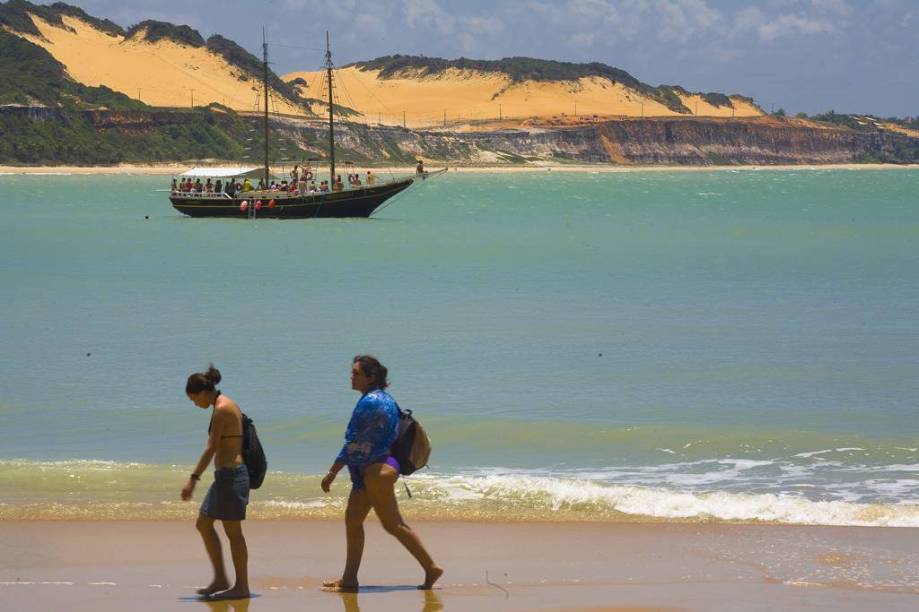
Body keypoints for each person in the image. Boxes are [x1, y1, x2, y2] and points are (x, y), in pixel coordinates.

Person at [321, 356, 443, 592]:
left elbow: (353, 443)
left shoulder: (370, 402)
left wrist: (332, 472)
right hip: (378, 468)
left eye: (356, 373)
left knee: (393, 524)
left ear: (371, 377)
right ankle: (349, 579)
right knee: (354, 520)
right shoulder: (384, 399)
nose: (351, 376)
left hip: (377, 470)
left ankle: (431, 567)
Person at [181, 365, 251, 601]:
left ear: (202, 392)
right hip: (225, 477)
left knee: (234, 532)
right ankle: (221, 578)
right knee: (204, 523)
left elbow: (211, 448)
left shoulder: (222, 409)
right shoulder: (222, 405)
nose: (194, 404)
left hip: (232, 477)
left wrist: (193, 479)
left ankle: (242, 587)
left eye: (193, 399)